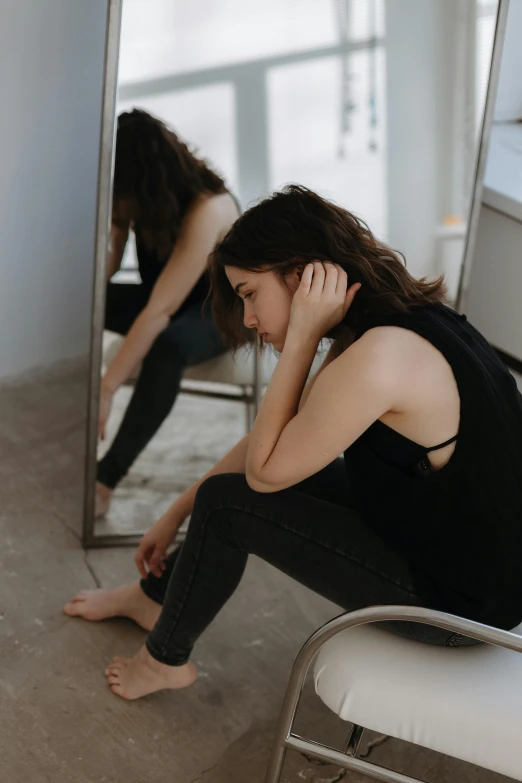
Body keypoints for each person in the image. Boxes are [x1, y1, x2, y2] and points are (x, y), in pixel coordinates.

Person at [65, 184, 522, 701]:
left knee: (228, 504)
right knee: (228, 485)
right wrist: (173, 512)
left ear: (302, 274)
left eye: (248, 295)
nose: (249, 320)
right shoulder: (396, 321)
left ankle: (163, 661)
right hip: (458, 551)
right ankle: (154, 597)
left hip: (459, 605)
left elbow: (263, 473)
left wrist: (301, 340)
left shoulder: (380, 358)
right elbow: (275, 439)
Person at [95, 109, 240, 517]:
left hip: (219, 310)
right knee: (88, 306)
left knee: (167, 346)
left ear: (145, 179)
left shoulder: (206, 207)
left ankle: (105, 479)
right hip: (167, 299)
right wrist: (115, 227)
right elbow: (106, 279)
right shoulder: (139, 206)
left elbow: (161, 310)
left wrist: (106, 388)